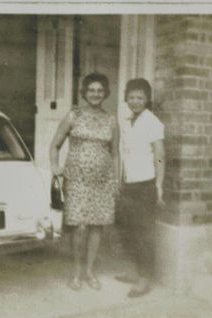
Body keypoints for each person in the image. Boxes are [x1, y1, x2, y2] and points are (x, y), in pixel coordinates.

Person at [49, 72, 120, 291]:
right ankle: (77, 271)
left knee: (96, 226)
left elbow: (115, 153)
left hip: (103, 181)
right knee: (79, 227)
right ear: (84, 93)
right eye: (91, 90)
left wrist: (116, 180)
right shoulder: (74, 115)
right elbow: (55, 145)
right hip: (77, 179)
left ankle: (90, 271)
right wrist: (55, 167)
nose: (96, 94)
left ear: (105, 94)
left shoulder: (111, 120)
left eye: (100, 91)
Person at [116, 78, 165, 298]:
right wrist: (120, 181)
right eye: (132, 97)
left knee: (144, 233)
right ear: (126, 98)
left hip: (145, 185)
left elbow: (160, 155)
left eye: (140, 97)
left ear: (147, 100)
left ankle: (145, 279)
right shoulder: (127, 121)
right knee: (129, 231)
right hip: (128, 184)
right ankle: (135, 272)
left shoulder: (152, 122)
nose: (135, 101)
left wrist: (159, 185)